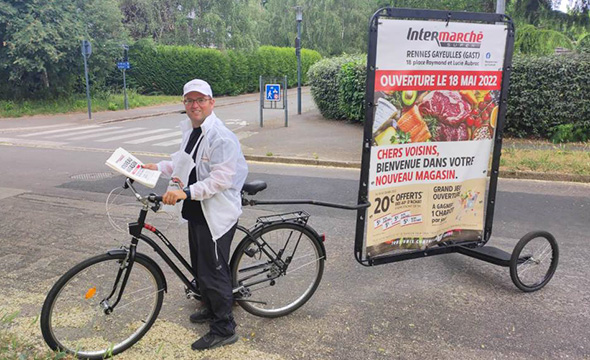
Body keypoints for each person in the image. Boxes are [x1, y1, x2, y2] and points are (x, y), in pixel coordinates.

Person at [143, 79, 248, 350]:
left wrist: (184, 193)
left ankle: (224, 327)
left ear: (212, 103)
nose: (194, 105)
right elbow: (182, 161)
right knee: (201, 266)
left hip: (216, 211)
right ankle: (212, 307)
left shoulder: (220, 136)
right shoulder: (193, 130)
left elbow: (220, 180)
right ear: (184, 105)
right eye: (189, 100)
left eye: (200, 100)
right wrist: (158, 167)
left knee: (213, 272)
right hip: (197, 208)